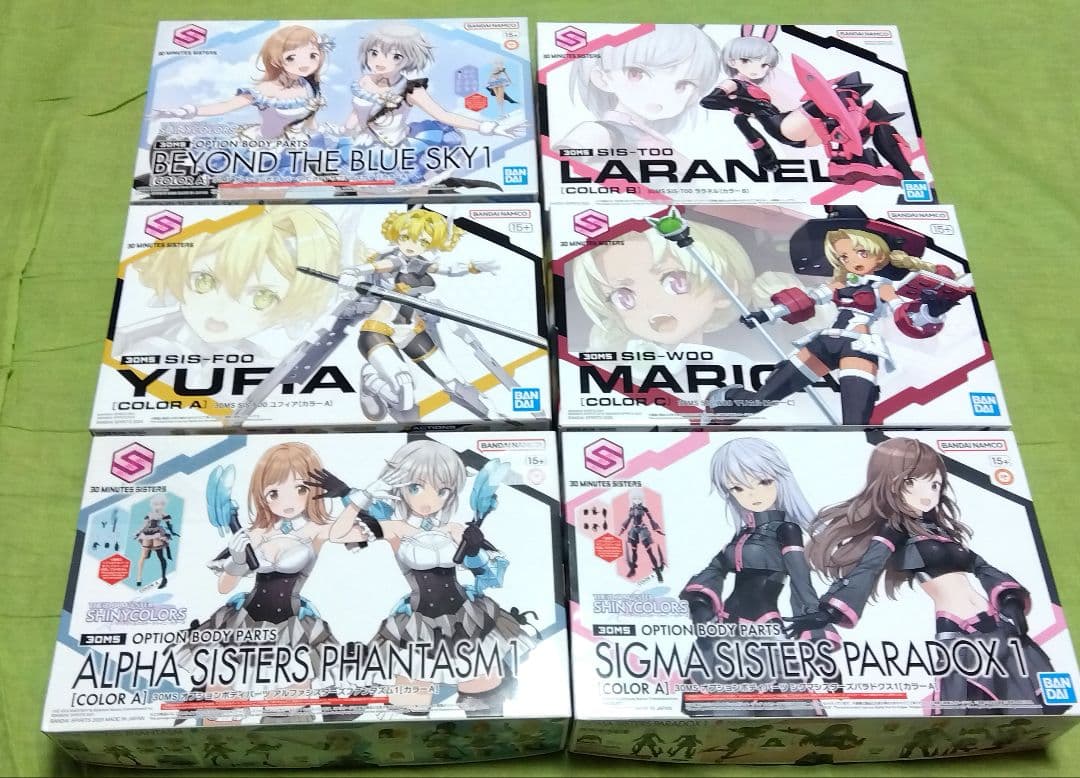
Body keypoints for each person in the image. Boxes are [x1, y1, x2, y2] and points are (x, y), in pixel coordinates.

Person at [787, 437, 1062, 716]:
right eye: (912, 482)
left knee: (1032, 700)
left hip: (998, 623)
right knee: (981, 708)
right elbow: (868, 567)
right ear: (890, 482)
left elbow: (983, 568)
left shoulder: (940, 531)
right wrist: (829, 612)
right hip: (960, 630)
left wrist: (1010, 601)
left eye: (935, 484)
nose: (927, 493)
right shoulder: (894, 530)